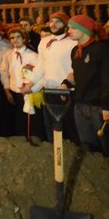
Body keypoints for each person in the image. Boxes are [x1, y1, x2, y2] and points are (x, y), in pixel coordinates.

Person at [66, 15, 109, 156]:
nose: (69, 31)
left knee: (107, 147)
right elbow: (77, 74)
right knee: (88, 146)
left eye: (73, 28)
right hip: (80, 105)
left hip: (98, 107)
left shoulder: (101, 50)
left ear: (84, 30)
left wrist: (107, 106)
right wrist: (66, 83)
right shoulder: (75, 51)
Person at [37, 12, 77, 141]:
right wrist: (31, 83)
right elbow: (40, 65)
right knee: (50, 125)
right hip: (48, 89)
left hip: (65, 90)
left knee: (68, 126)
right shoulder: (44, 42)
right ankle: (53, 151)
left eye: (57, 21)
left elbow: (75, 67)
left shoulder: (73, 42)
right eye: (51, 21)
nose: (53, 24)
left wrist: (66, 84)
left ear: (65, 25)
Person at [0, 27, 43, 140]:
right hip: (15, 92)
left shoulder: (33, 55)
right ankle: (20, 140)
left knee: (32, 120)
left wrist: (31, 88)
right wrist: (6, 89)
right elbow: (4, 72)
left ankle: (34, 139)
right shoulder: (8, 55)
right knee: (18, 120)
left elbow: (39, 74)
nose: (15, 40)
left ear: (24, 39)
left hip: (30, 92)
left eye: (18, 37)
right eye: (12, 37)